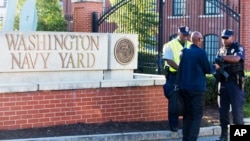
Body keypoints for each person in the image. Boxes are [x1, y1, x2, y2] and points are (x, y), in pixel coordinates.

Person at [178, 31, 219, 141]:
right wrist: (215, 66)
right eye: (201, 39)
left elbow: (180, 70)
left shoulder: (183, 52)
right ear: (199, 40)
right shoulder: (201, 53)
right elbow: (207, 69)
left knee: (187, 115)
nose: (202, 41)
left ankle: (185, 138)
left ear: (191, 40)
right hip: (197, 89)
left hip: (184, 88)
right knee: (197, 116)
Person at [215, 29, 246, 141]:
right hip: (223, 84)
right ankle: (223, 136)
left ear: (232, 37)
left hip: (235, 84)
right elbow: (216, 66)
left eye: (226, 37)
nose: (224, 40)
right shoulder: (220, 50)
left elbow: (237, 58)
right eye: (223, 37)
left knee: (237, 113)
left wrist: (222, 59)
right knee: (223, 112)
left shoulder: (238, 48)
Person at [162, 26, 192, 132]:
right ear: (178, 33)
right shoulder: (169, 45)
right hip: (174, 76)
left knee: (187, 100)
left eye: (187, 35)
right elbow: (169, 60)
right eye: (184, 35)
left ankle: (186, 125)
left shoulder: (190, 45)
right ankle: (174, 125)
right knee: (174, 101)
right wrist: (181, 69)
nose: (186, 37)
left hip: (187, 76)